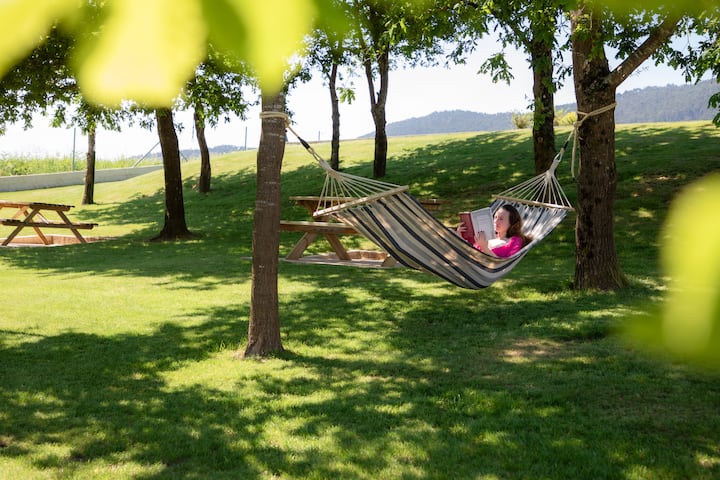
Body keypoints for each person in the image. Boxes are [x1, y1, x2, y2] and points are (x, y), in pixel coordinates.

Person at [456, 204, 532, 257]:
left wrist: (484, 247)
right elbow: (470, 253)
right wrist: (460, 238)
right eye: (495, 217)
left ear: (511, 223)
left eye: (501, 219)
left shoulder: (515, 241)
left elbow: (502, 264)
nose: (495, 221)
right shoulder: (488, 235)